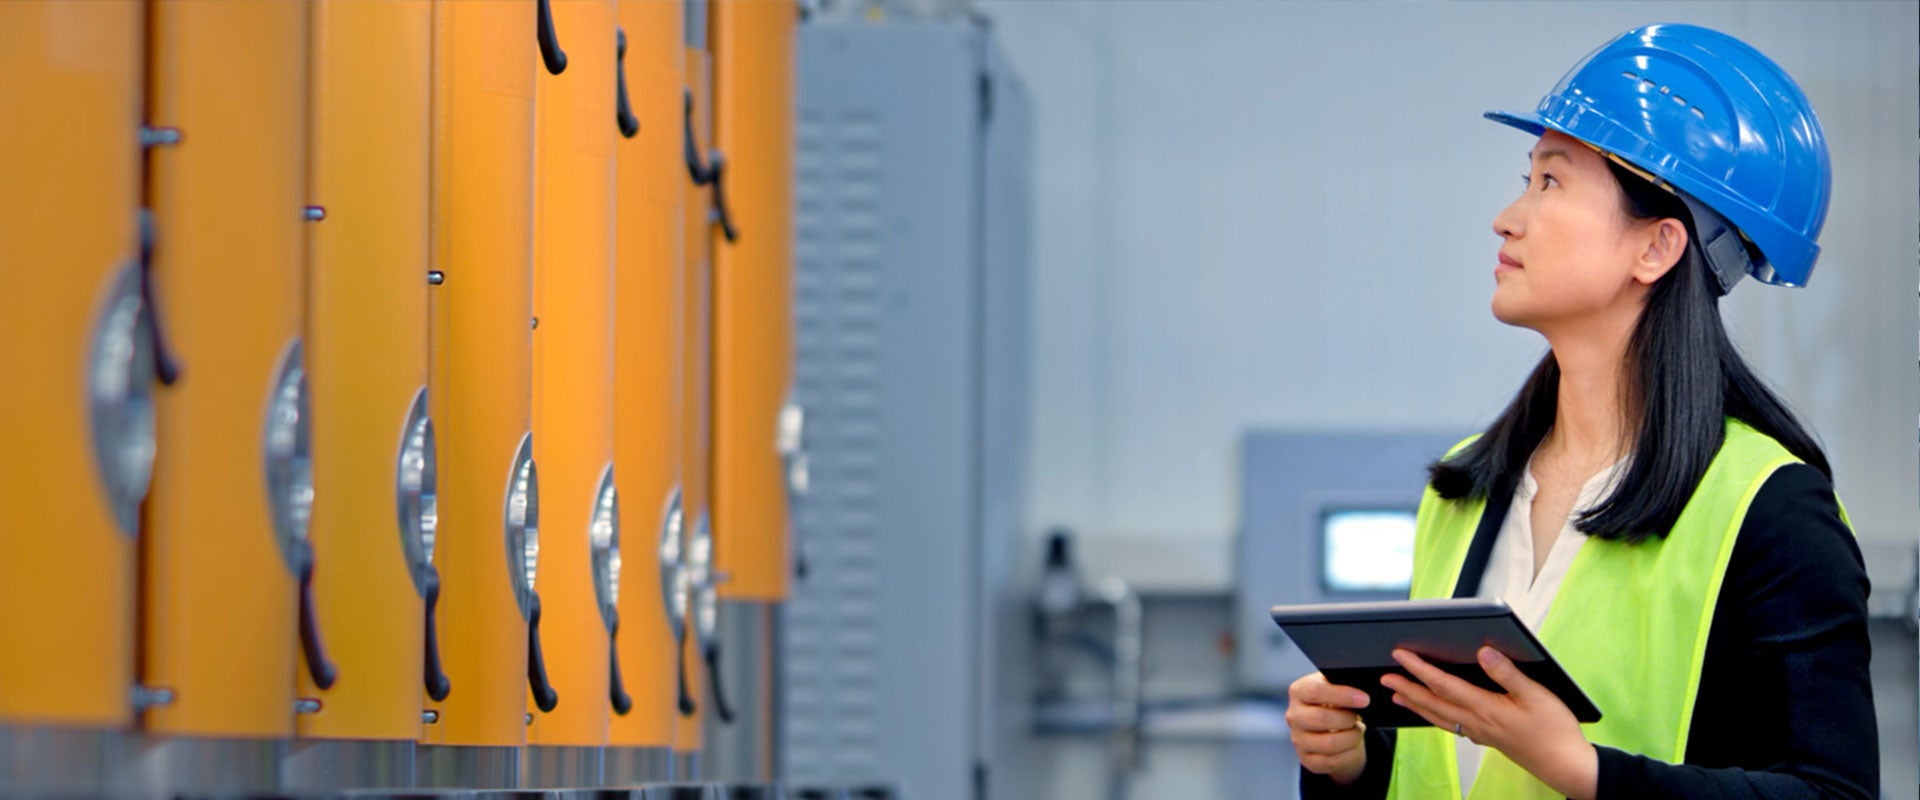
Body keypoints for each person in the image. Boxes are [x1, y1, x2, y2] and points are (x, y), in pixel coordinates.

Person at [1286, 23, 1878, 800]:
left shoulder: (1771, 511)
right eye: (1526, 179)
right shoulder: (1463, 490)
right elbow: (1449, 774)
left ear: (1657, 249)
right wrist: (1352, 764)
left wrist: (1584, 772)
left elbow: (1833, 794)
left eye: (1552, 182)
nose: (1509, 216)